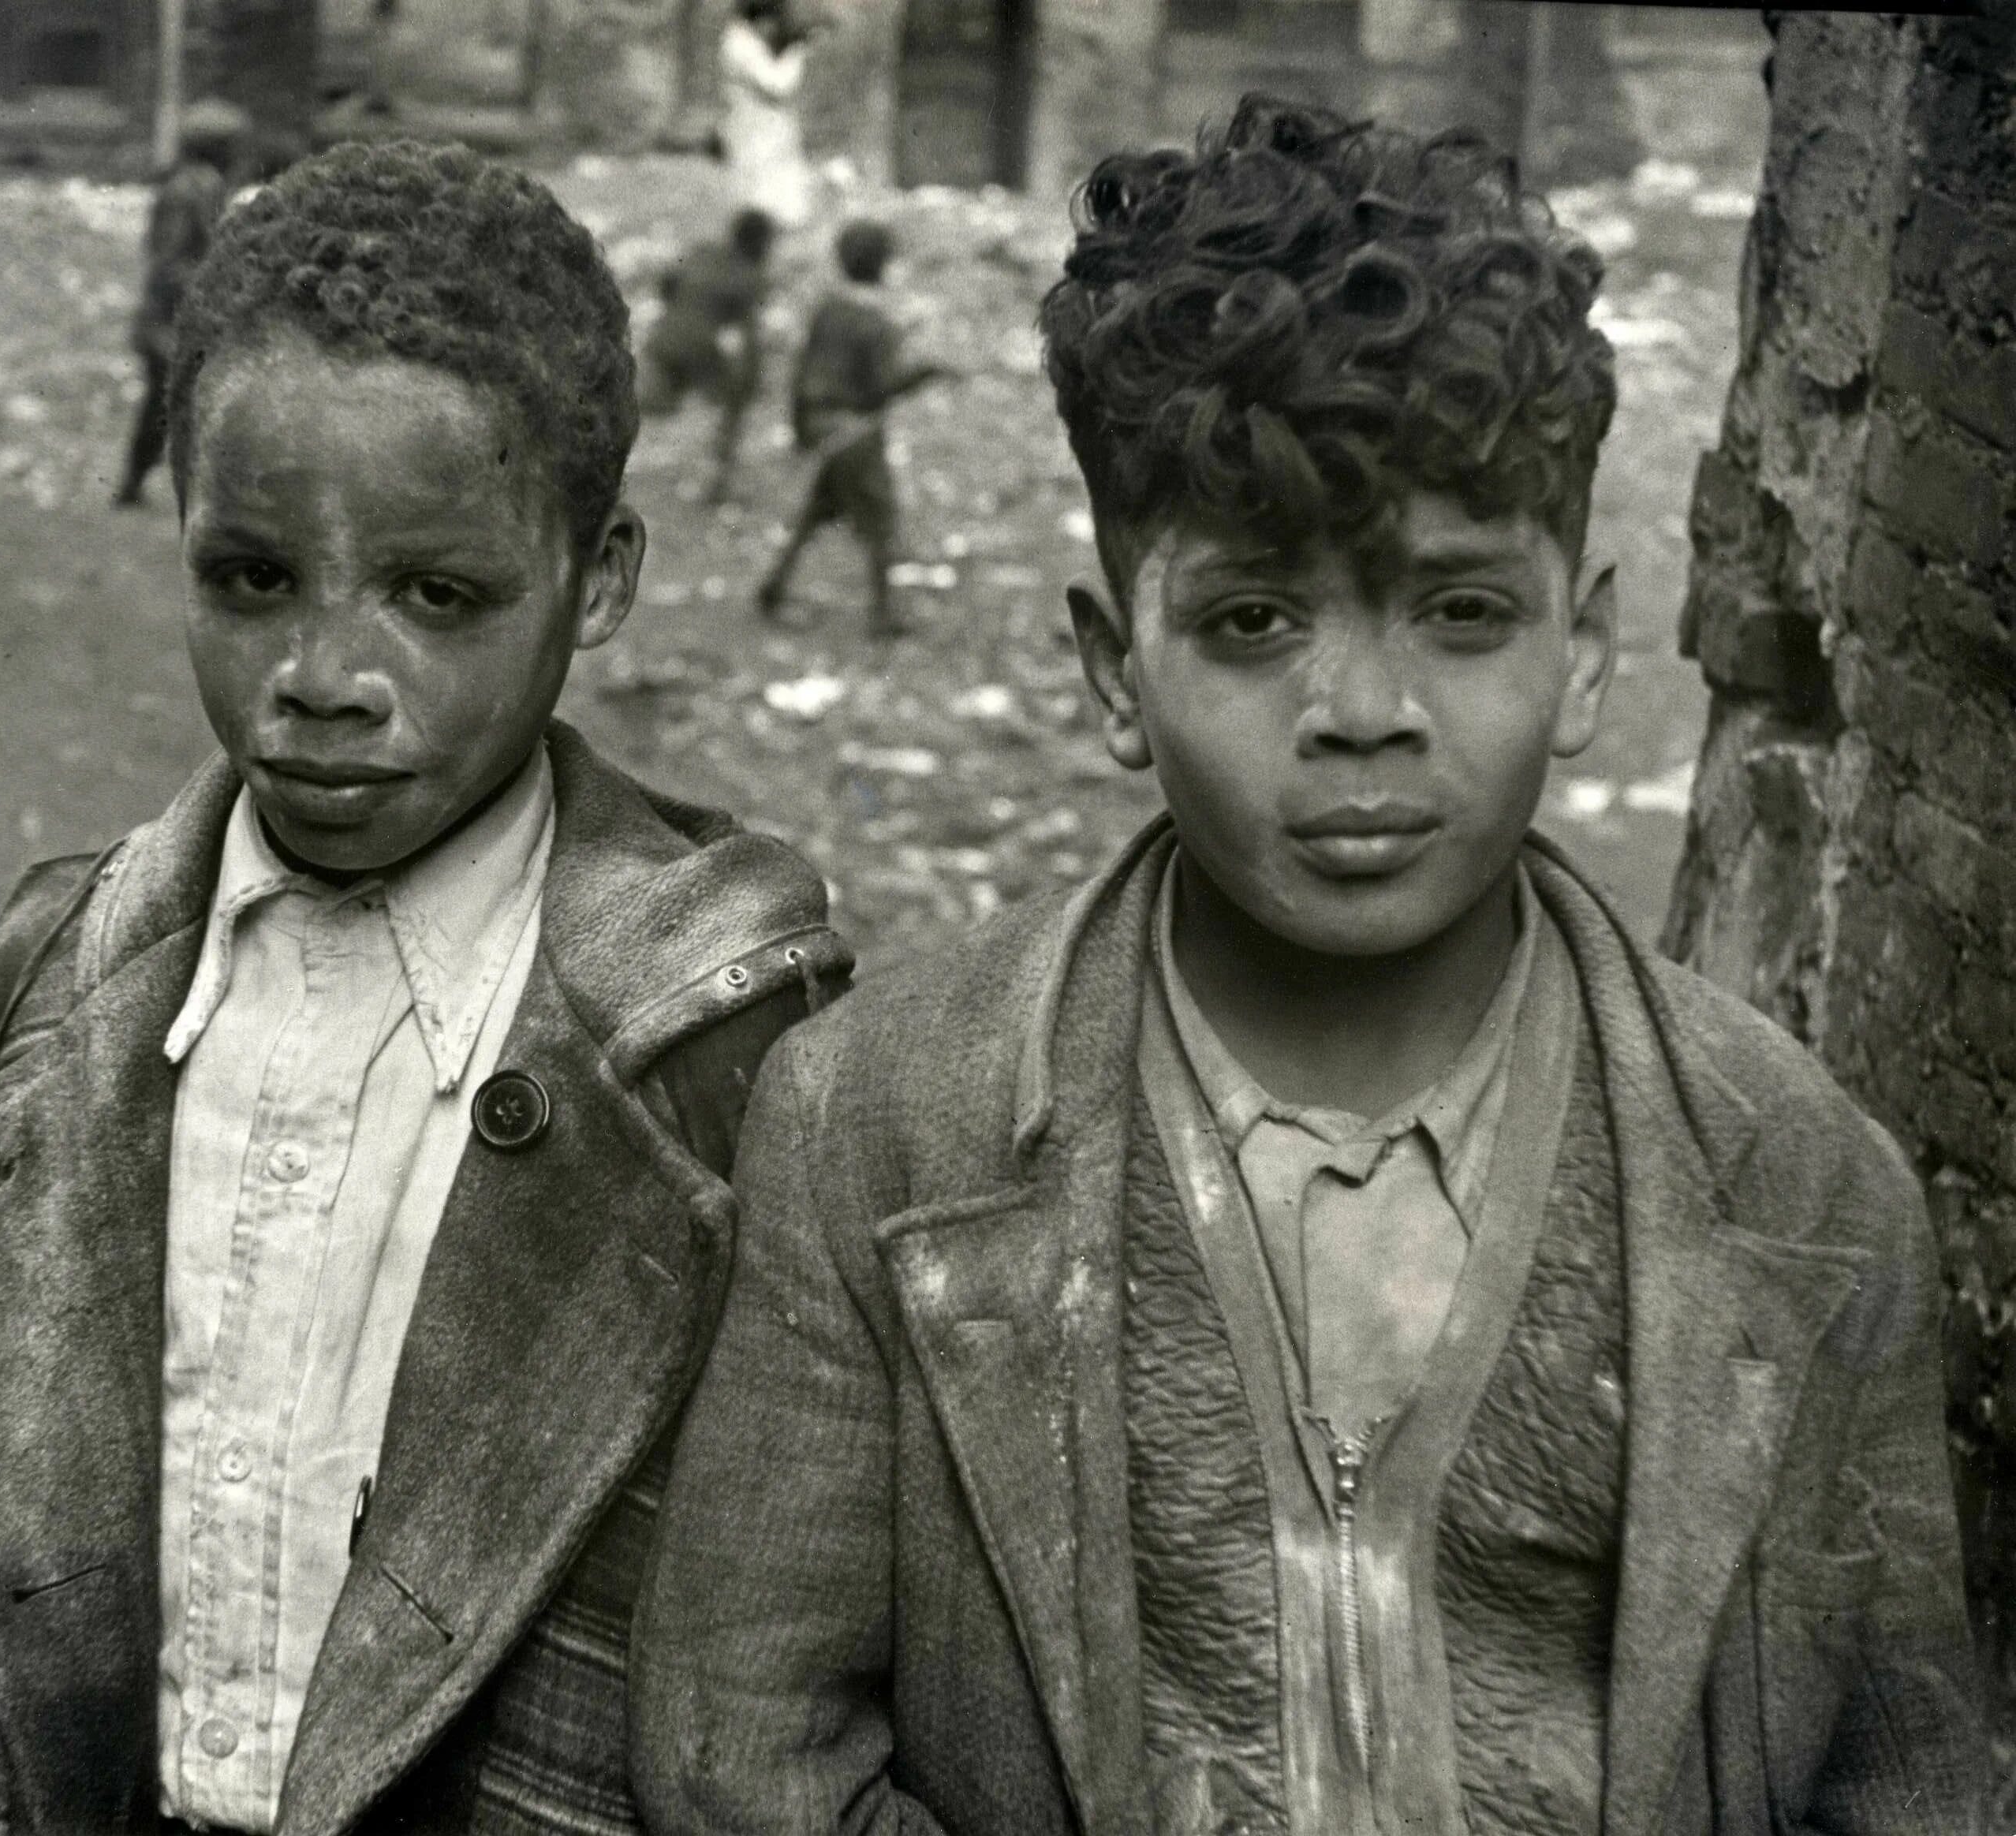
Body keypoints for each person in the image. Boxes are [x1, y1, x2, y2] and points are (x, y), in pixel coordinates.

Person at [633, 98, 1986, 1835]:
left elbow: (1902, 1784)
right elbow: (742, 1751)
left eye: (1461, 613)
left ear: (1582, 648)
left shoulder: (1793, 1184)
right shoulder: (884, 1127)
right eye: (1251, 622)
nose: (1359, 714)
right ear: (1111, 668)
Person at [0, 140, 850, 1834]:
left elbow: (793, 1697)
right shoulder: (60, 995)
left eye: (437, 597)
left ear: (598, 580)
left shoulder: (724, 1046)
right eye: (249, 580)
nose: (321, 679)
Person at [757, 218, 948, 638]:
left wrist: (797, 430)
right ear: (883, 265)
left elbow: (802, 371)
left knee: (817, 511)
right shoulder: (877, 323)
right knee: (881, 520)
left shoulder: (828, 309)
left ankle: (773, 587)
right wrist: (927, 372)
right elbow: (884, 385)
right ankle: (883, 618)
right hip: (857, 432)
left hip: (821, 427)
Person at [117, 98, 248, 508]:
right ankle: (141, 486)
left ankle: (146, 487)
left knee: (177, 407)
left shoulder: (204, 185)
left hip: (188, 320)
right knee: (170, 407)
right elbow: (168, 264)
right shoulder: (185, 191)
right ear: (217, 147)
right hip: (168, 323)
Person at [640, 206, 774, 506]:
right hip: (700, 350)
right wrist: (750, 381)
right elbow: (748, 336)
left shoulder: (701, 251)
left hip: (663, 339)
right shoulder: (751, 275)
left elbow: (666, 282)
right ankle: (714, 484)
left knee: (650, 403)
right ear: (761, 243)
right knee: (731, 407)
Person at [719, 0, 812, 230]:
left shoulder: (741, 39)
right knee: (764, 191)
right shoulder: (742, 44)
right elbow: (778, 85)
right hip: (757, 125)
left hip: (757, 123)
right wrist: (796, 52)